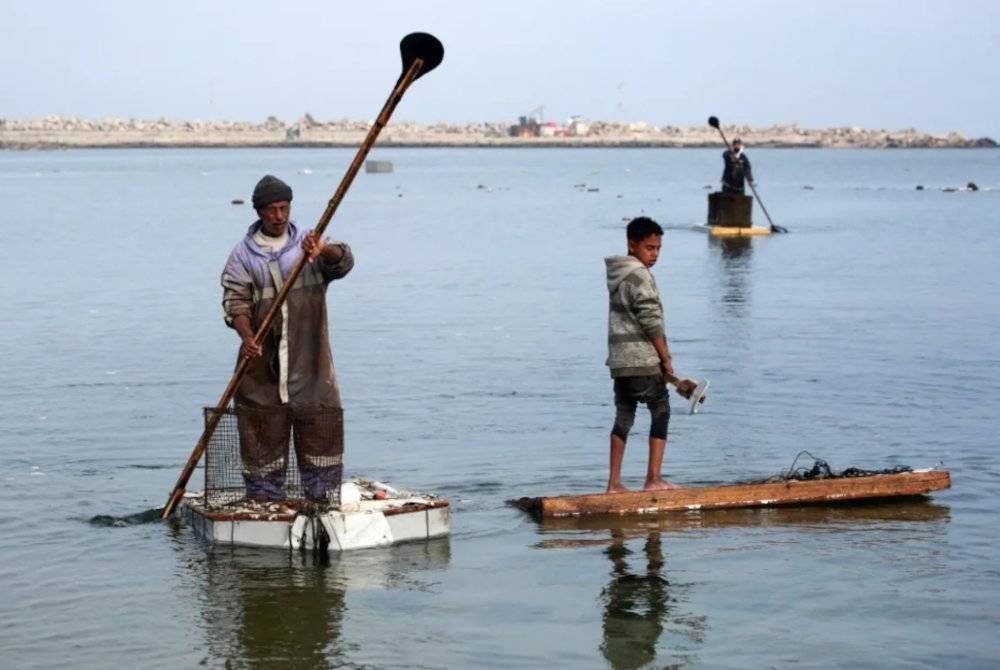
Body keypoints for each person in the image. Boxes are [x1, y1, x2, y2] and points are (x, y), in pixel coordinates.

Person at [221, 174, 355, 502]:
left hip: (311, 365)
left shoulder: (308, 244)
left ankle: (321, 500)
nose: (279, 216)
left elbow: (344, 262)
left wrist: (324, 250)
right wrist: (248, 336)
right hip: (260, 369)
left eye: (284, 208)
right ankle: (265, 502)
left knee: (320, 434)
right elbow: (235, 302)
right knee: (262, 439)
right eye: (272, 210)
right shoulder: (243, 256)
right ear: (259, 212)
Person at [605, 217, 695, 493]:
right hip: (643, 359)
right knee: (661, 411)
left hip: (620, 361)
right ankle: (653, 479)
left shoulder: (618, 275)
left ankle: (614, 484)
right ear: (631, 245)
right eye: (649, 248)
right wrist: (666, 359)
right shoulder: (641, 275)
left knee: (624, 417)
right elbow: (651, 321)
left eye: (658, 249)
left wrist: (669, 375)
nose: (654, 254)